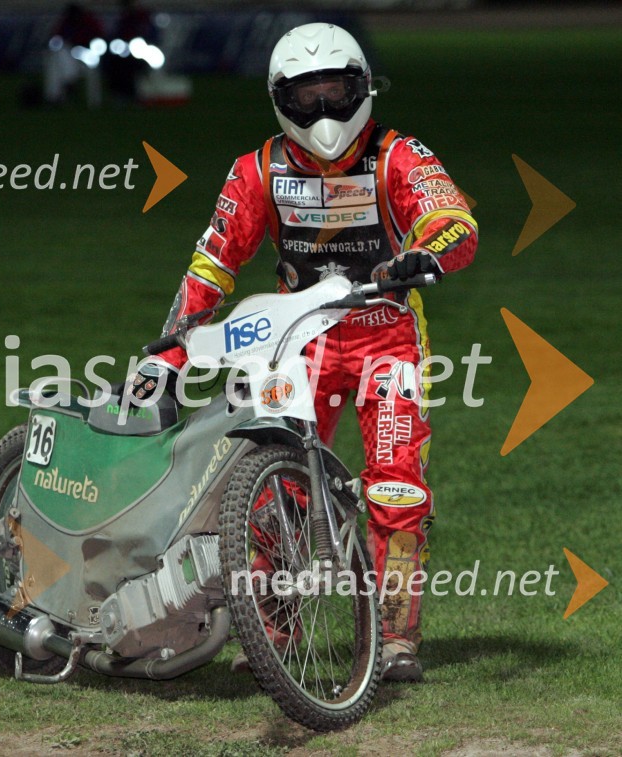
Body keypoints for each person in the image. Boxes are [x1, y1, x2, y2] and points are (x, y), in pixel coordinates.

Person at [127, 22, 478, 682]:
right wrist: (174, 349)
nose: (323, 114)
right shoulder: (256, 170)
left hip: (387, 340)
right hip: (296, 346)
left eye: (336, 94)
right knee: (271, 495)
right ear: (279, 101)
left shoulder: (400, 154)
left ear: (365, 89)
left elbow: (452, 217)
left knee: (397, 488)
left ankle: (397, 637)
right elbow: (213, 261)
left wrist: (426, 249)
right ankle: (272, 634)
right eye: (305, 98)